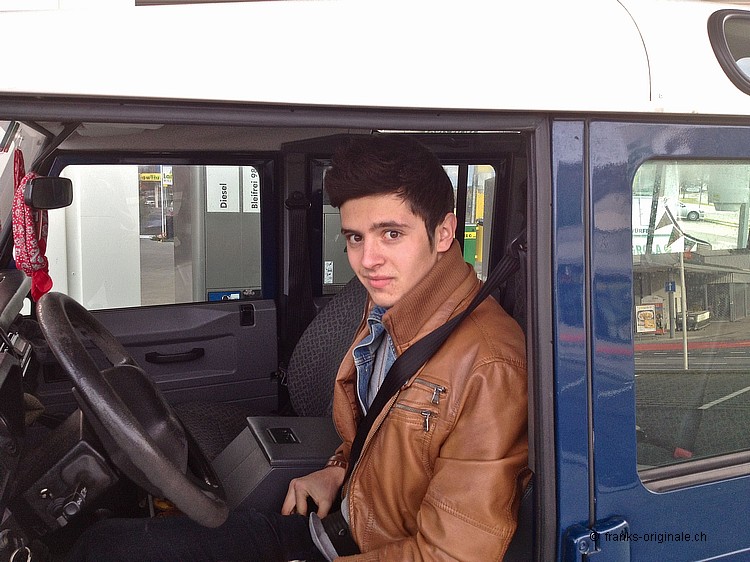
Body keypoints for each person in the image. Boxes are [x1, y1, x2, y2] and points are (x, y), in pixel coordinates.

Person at [67, 134, 529, 561]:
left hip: (362, 550)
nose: (367, 261)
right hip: (334, 527)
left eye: (391, 234)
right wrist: (338, 470)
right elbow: (378, 434)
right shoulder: (390, 308)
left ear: (444, 232)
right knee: (104, 545)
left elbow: (451, 556)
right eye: (355, 238)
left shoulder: (489, 366)